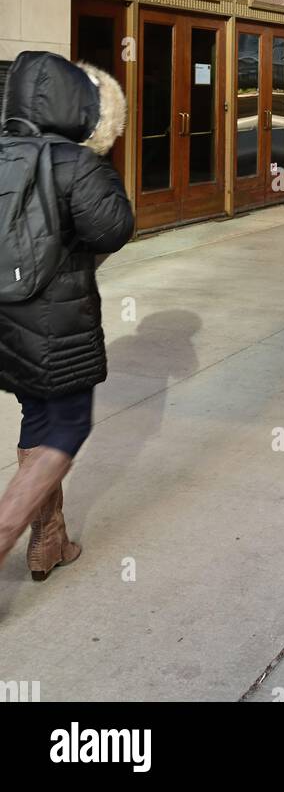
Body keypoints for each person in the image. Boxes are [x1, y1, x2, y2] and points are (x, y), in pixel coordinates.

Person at [0, 51, 134, 580]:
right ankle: (9, 531)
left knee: (38, 413)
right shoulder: (76, 162)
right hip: (57, 320)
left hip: (5, 318)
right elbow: (112, 230)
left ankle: (49, 537)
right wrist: (97, 163)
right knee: (69, 425)